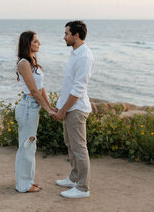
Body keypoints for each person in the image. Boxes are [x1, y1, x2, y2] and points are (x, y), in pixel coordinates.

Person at [53, 21, 94, 198]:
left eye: (66, 33)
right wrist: (60, 106)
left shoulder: (84, 56)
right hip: (70, 107)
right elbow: (68, 84)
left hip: (77, 109)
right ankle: (74, 178)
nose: (64, 37)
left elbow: (78, 89)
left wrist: (63, 110)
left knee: (79, 149)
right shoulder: (75, 53)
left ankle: (83, 188)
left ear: (76, 35)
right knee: (70, 145)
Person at [15, 30, 57, 193]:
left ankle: (27, 181)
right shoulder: (24, 63)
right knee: (26, 147)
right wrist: (48, 110)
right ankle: (23, 185)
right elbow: (33, 90)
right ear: (28, 44)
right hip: (28, 108)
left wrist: (50, 106)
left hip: (33, 107)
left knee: (29, 146)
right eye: (36, 42)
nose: (39, 44)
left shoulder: (33, 62)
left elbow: (41, 88)